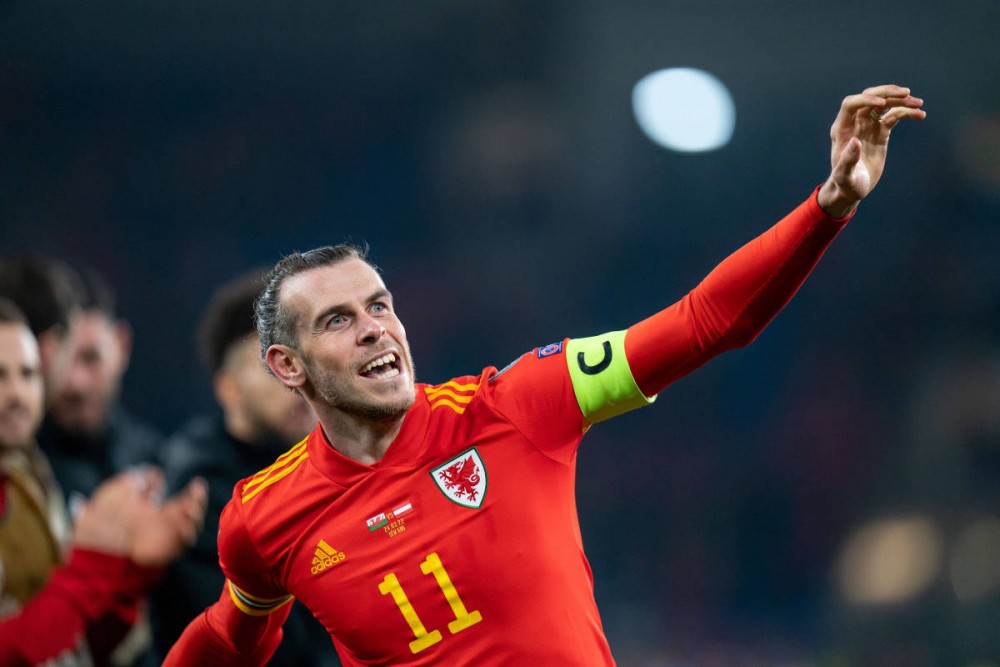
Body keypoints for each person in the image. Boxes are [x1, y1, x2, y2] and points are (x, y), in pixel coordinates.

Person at [164, 85, 926, 665]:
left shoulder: (516, 405)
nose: (374, 327)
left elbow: (706, 321)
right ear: (285, 365)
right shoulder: (262, 518)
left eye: (380, 304)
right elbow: (230, 640)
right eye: (337, 320)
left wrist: (830, 205)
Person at [0, 297, 208, 666]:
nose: (16, 393)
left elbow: (73, 650)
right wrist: (88, 568)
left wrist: (128, 574)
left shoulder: (28, 477)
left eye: (28, 374)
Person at [150, 272, 336, 665]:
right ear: (229, 388)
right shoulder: (200, 487)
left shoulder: (325, 458)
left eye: (301, 356)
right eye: (273, 364)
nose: (296, 378)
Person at [36, 263, 162, 505]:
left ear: (122, 346)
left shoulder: (159, 463)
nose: (76, 383)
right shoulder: (17, 472)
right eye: (62, 359)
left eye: (91, 357)